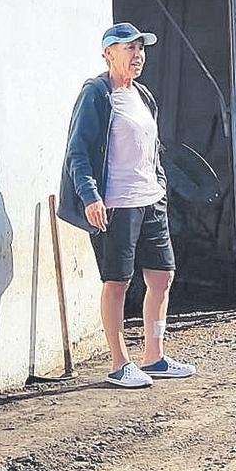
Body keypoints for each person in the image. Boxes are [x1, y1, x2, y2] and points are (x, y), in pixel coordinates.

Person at [57, 22, 196, 389]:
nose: (138, 56)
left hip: (150, 200)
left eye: (141, 49)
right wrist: (90, 197)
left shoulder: (143, 96)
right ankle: (119, 363)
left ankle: (155, 356)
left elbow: (153, 148)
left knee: (162, 277)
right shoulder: (97, 94)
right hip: (116, 204)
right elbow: (78, 152)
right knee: (117, 282)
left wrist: (160, 185)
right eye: (129, 49)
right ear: (108, 54)